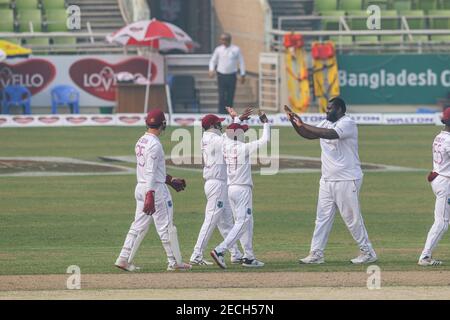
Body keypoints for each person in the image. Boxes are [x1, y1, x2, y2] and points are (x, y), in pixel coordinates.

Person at [285, 97, 377, 264]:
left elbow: (330, 134)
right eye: (326, 108)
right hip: (327, 180)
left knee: (352, 219)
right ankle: (316, 254)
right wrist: (295, 122)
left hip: (347, 179)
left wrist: (303, 123)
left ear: (340, 110)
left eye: (330, 109)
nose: (327, 111)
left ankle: (367, 252)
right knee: (322, 218)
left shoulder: (347, 123)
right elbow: (308, 134)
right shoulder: (325, 122)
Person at [115, 109, 192, 272]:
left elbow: (153, 170)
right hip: (154, 190)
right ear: (163, 124)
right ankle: (174, 262)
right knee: (166, 227)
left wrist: (170, 180)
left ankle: (123, 258)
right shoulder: (155, 144)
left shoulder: (141, 140)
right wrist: (151, 193)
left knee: (138, 226)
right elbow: (151, 171)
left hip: (141, 186)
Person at [189, 107, 253, 266]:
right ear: (213, 125)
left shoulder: (211, 137)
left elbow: (231, 134)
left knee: (226, 222)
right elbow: (231, 136)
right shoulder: (212, 138)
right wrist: (238, 120)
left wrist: (239, 121)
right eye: (218, 123)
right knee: (211, 220)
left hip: (219, 183)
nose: (221, 126)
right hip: (217, 184)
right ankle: (196, 254)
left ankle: (235, 254)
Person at [210, 110, 270, 269]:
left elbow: (228, 132)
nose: (244, 134)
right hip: (243, 189)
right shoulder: (243, 148)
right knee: (243, 222)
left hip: (231, 189)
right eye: (242, 132)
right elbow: (265, 140)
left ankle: (249, 257)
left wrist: (236, 119)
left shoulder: (225, 144)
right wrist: (265, 123)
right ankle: (220, 250)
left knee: (246, 222)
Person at [418, 108, 450, 266]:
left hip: (438, 178)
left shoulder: (440, 136)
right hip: (446, 183)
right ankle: (425, 256)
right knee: (442, 222)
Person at [209, 33, 246, 114]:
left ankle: (229, 114)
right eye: (221, 39)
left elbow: (241, 61)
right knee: (221, 96)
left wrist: (243, 74)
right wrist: (211, 70)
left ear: (229, 40)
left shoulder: (236, 49)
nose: (222, 41)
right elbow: (213, 60)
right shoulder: (218, 49)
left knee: (230, 96)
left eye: (224, 39)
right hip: (221, 75)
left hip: (232, 75)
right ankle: (221, 113)